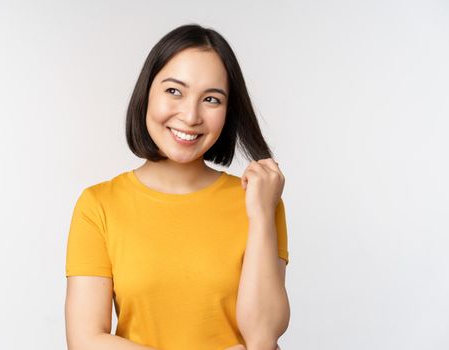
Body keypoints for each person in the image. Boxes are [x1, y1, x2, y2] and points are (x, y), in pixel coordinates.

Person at [65, 23, 289, 350]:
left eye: (211, 99)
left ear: (228, 112)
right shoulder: (98, 205)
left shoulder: (259, 202)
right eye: (174, 91)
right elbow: (85, 341)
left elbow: (262, 338)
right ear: (147, 93)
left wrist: (261, 215)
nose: (190, 115)